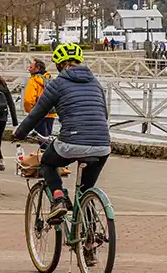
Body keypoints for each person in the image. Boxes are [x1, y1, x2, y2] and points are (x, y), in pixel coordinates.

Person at [13, 43, 110, 227]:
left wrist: (19, 133)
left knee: (47, 163)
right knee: (85, 190)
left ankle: (58, 199)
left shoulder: (58, 84)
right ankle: (89, 239)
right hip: (102, 145)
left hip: (71, 142)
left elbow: (37, 113)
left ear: (58, 65)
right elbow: (104, 114)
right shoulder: (95, 82)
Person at [22, 59, 55, 137]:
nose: (28, 69)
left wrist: (31, 112)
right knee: (47, 139)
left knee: (41, 139)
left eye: (31, 67)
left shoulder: (33, 80)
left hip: (39, 113)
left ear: (38, 68)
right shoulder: (50, 79)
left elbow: (28, 100)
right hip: (51, 113)